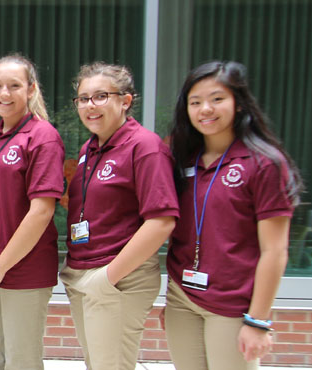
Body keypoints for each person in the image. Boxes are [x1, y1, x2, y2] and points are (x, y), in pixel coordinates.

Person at [162, 61, 302, 370]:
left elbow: (275, 251)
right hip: (182, 298)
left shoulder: (264, 164)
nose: (205, 109)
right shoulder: (182, 158)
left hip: (232, 305)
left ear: (239, 103)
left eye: (217, 99)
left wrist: (258, 321)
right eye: (195, 102)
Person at [59, 62, 179, 370]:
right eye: (83, 98)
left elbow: (162, 221)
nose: (90, 105)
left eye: (100, 96)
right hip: (84, 273)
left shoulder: (145, 147)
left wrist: (107, 278)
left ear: (125, 101)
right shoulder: (91, 147)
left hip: (117, 278)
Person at [0, 54, 64, 370]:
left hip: (24, 271)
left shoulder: (42, 136)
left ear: (31, 89)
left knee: (22, 361)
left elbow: (42, 211)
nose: (4, 94)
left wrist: (0, 267)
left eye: (14, 86)